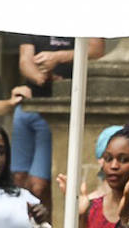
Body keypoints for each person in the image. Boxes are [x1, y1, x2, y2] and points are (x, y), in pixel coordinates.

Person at [14, 36, 106, 208]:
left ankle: (42, 227)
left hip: (62, 106)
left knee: (38, 185)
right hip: (29, 102)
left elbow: (97, 50)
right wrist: (42, 78)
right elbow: (25, 60)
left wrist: (58, 57)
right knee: (18, 178)